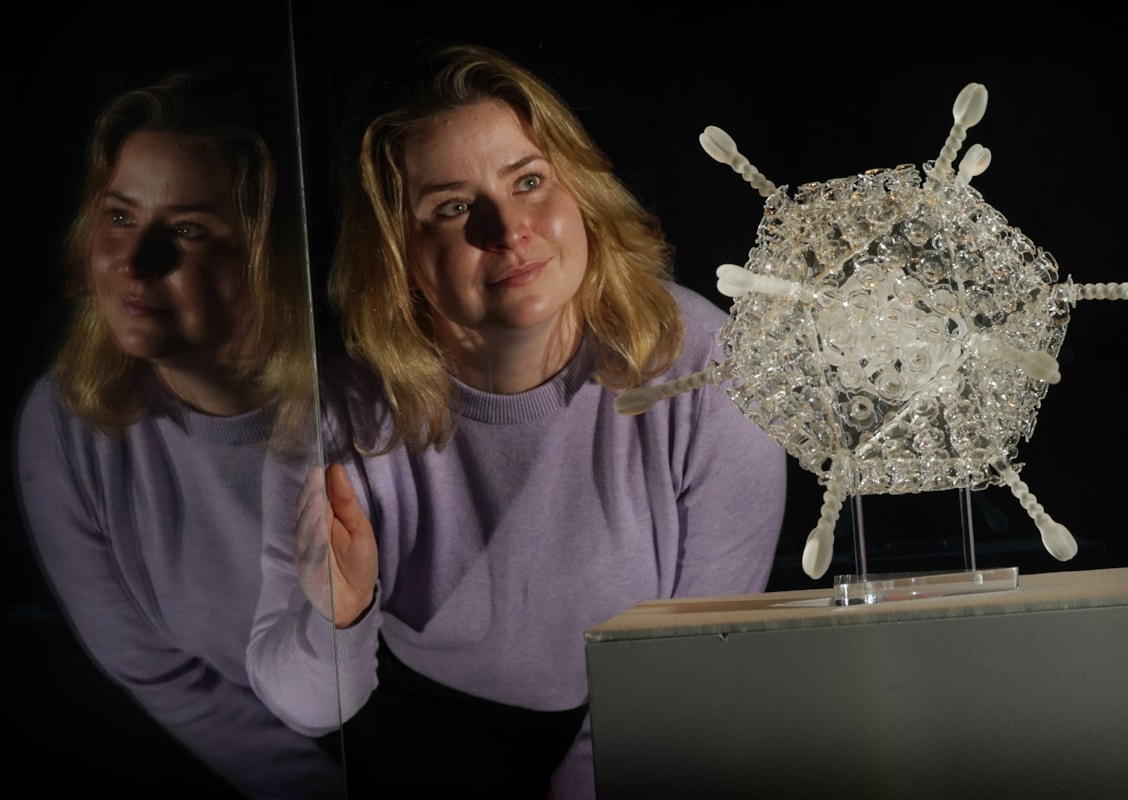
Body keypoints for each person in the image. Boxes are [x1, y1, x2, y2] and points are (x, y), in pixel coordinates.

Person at [246, 43, 788, 799]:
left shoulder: (707, 367)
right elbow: (304, 704)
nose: (507, 230)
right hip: (425, 728)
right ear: (395, 252)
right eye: (452, 207)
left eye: (529, 181)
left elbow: (696, 660)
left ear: (582, 193)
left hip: (659, 715)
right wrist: (339, 619)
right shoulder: (334, 412)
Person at [13, 71, 344, 798]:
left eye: (189, 230)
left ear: (273, 254)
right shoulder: (65, 423)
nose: (134, 261)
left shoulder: (360, 403)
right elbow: (155, 668)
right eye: (122, 217)